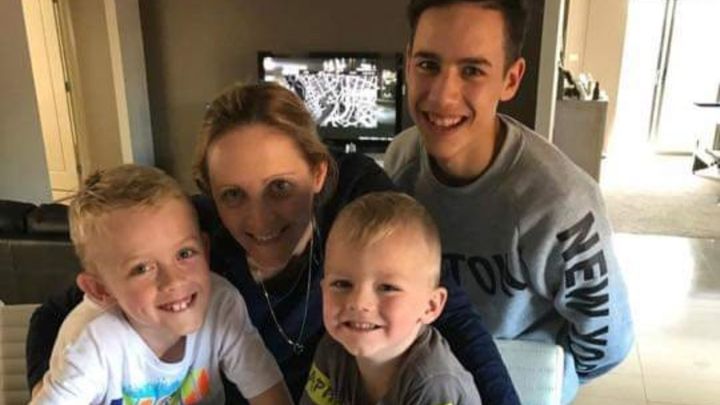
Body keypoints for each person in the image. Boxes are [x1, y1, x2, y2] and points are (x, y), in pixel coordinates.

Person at [26, 82, 520, 403]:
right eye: (233, 195)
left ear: (319, 173)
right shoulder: (189, 243)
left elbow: (448, 313)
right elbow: (54, 316)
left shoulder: (359, 204)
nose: (258, 218)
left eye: (280, 187)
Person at [383, 0, 634, 403]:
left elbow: (607, 343)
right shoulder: (399, 162)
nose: (443, 95)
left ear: (511, 79)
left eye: (472, 71)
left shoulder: (560, 203)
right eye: (428, 64)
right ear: (409, 63)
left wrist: (544, 383)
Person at [31, 165, 291, 404]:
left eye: (185, 253)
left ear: (205, 250)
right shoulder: (93, 342)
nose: (174, 280)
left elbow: (271, 396)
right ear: (102, 290)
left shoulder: (221, 304)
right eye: (142, 268)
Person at [301, 191, 482, 404]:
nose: (359, 303)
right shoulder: (333, 349)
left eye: (387, 288)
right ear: (323, 290)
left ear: (430, 306)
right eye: (342, 284)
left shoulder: (434, 385)